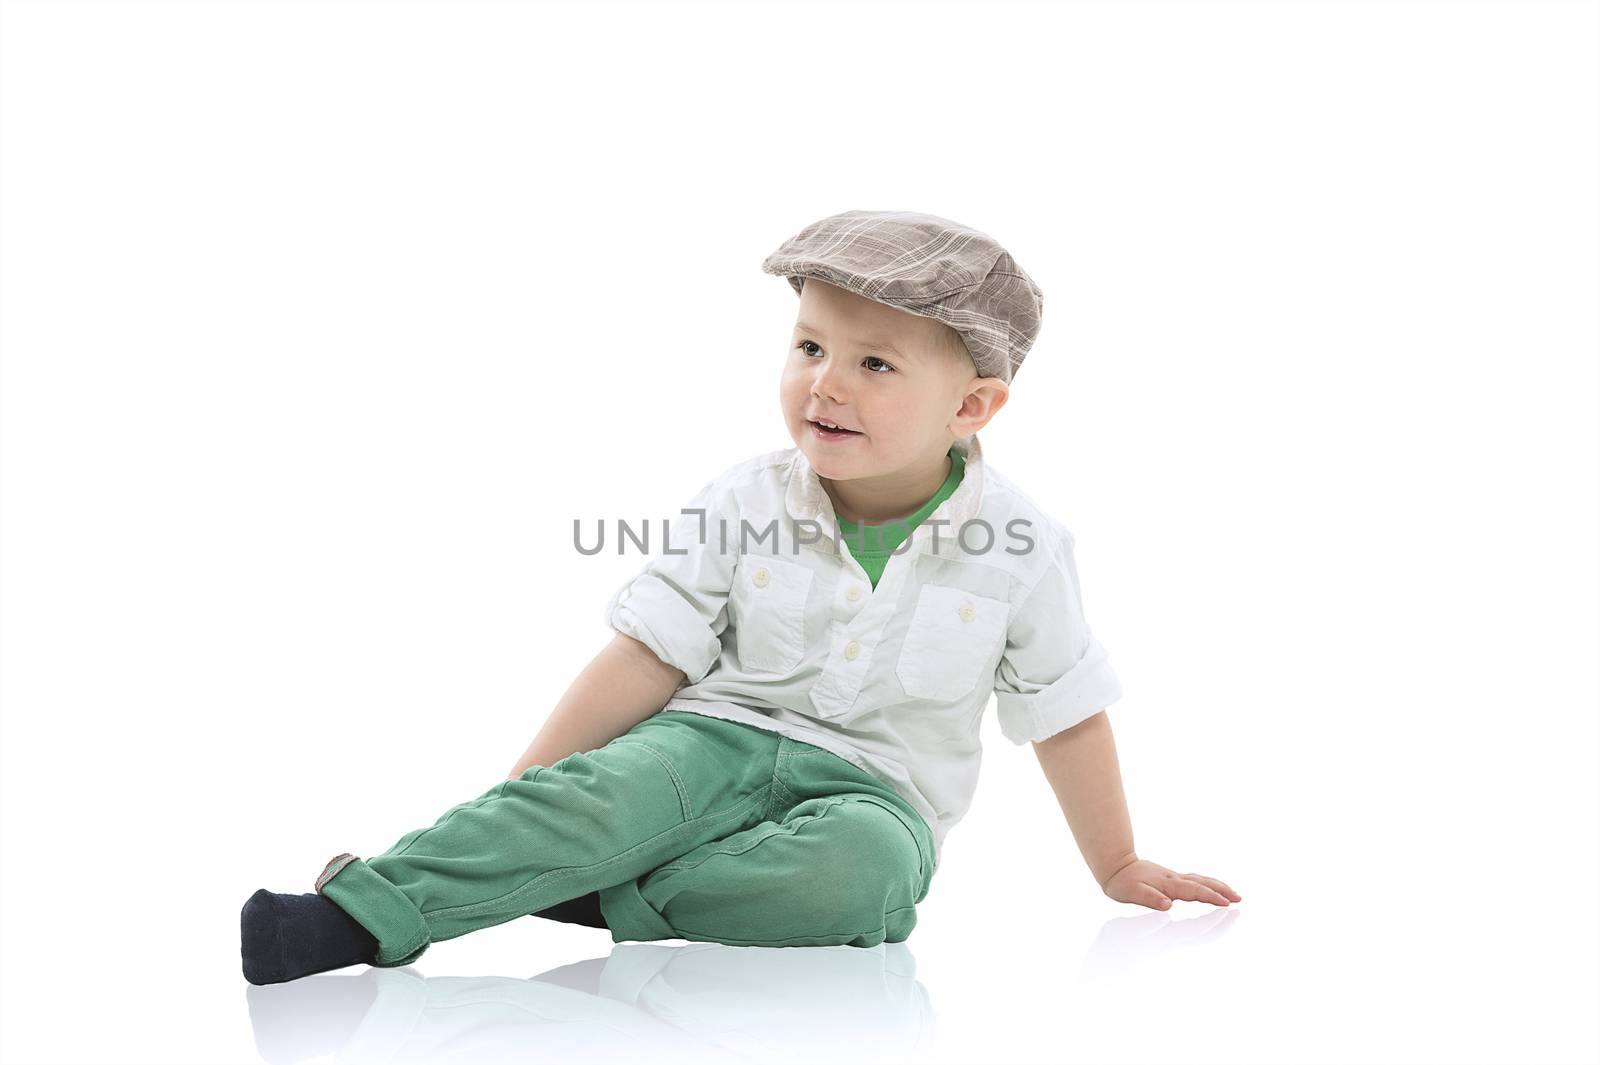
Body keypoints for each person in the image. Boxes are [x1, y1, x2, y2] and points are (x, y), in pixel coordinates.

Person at [241, 208, 1240, 986]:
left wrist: (1115, 863)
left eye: (873, 364)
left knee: (866, 881)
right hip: (710, 739)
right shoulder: (746, 498)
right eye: (809, 348)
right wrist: (530, 797)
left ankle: (617, 895)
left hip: (877, 792)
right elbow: (648, 653)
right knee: (604, 794)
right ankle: (359, 914)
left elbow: (1062, 711)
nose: (825, 385)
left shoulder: (1021, 546)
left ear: (970, 406)